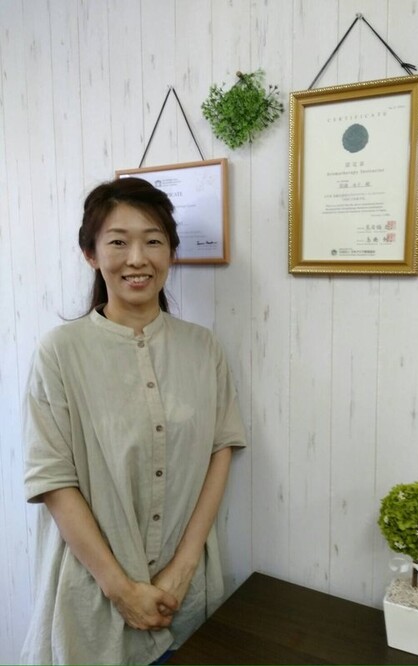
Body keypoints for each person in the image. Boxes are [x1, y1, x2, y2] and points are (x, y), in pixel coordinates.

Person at [21, 177, 246, 665]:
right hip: (93, 601)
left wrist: (181, 571)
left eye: (153, 241)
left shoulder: (203, 348)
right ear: (91, 254)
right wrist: (121, 590)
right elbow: (53, 479)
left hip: (183, 599)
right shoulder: (59, 352)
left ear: (171, 252)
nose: (137, 259)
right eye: (118, 242)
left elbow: (221, 448)